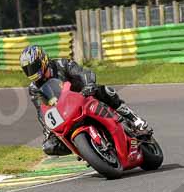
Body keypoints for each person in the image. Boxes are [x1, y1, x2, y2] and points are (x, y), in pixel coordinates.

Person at [20, 45, 149, 156]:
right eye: (28, 69)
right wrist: (48, 130)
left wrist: (89, 85)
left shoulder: (62, 64)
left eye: (34, 66)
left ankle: (134, 119)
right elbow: (41, 111)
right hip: (65, 113)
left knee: (104, 90)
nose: (32, 72)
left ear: (42, 60)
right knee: (49, 146)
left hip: (85, 97)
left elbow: (83, 73)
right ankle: (86, 152)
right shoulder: (34, 89)